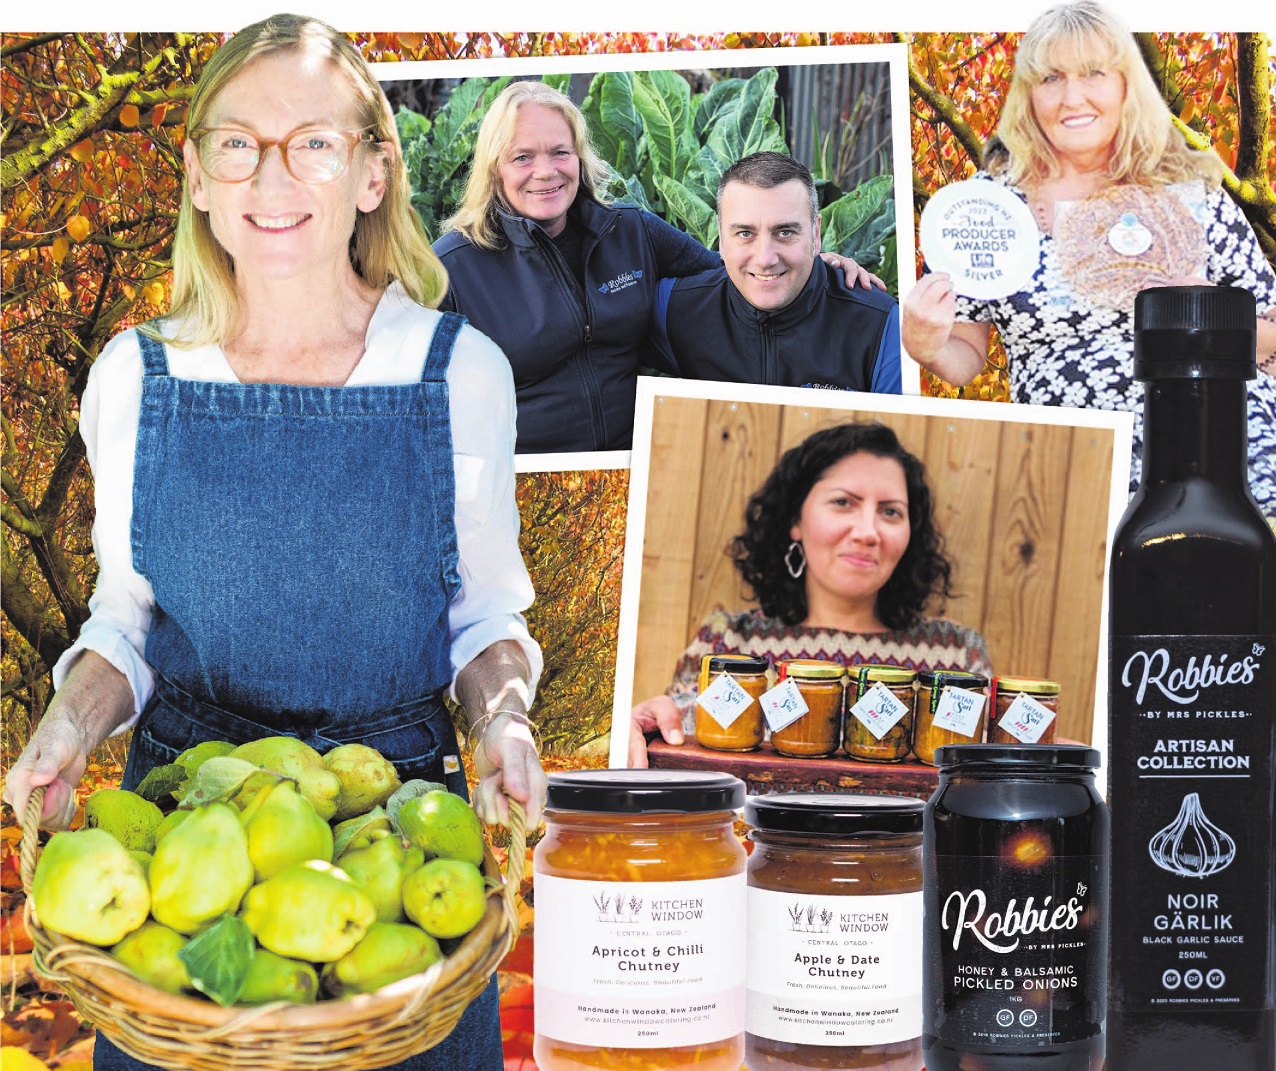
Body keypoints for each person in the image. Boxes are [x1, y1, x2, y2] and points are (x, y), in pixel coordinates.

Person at [2, 15, 544, 1071]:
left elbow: (483, 618)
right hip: (182, 856)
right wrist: (71, 721)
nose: (273, 175)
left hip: (389, 843)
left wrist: (503, 723)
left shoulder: (457, 373)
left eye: (314, 143)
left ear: (374, 173)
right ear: (200, 175)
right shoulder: (136, 378)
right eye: (239, 143)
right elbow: (127, 621)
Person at [902, 0, 1276, 514]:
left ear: (1126, 84)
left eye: (1093, 73)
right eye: (1051, 78)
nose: (1071, 97)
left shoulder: (1190, 191)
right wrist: (924, 343)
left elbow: (1272, 340)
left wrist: (1205, 314)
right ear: (1029, 95)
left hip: (1224, 463)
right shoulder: (985, 205)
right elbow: (964, 358)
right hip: (1070, 476)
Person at [433, 82, 881, 454]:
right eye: (522, 157)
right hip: (523, 481)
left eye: (560, 153)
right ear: (494, 168)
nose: (546, 171)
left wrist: (816, 265)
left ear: (580, 158)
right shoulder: (453, 267)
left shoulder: (629, 231)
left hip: (634, 464)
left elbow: (738, 278)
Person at [629, 423, 991, 765]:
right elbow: (676, 739)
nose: (868, 531)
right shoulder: (728, 640)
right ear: (796, 521)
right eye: (843, 503)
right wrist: (641, 730)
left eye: (891, 511)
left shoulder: (957, 654)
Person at [647, 152, 901, 393]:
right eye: (745, 234)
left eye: (785, 232)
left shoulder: (882, 326)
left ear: (815, 233)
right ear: (722, 235)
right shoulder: (674, 308)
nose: (765, 259)